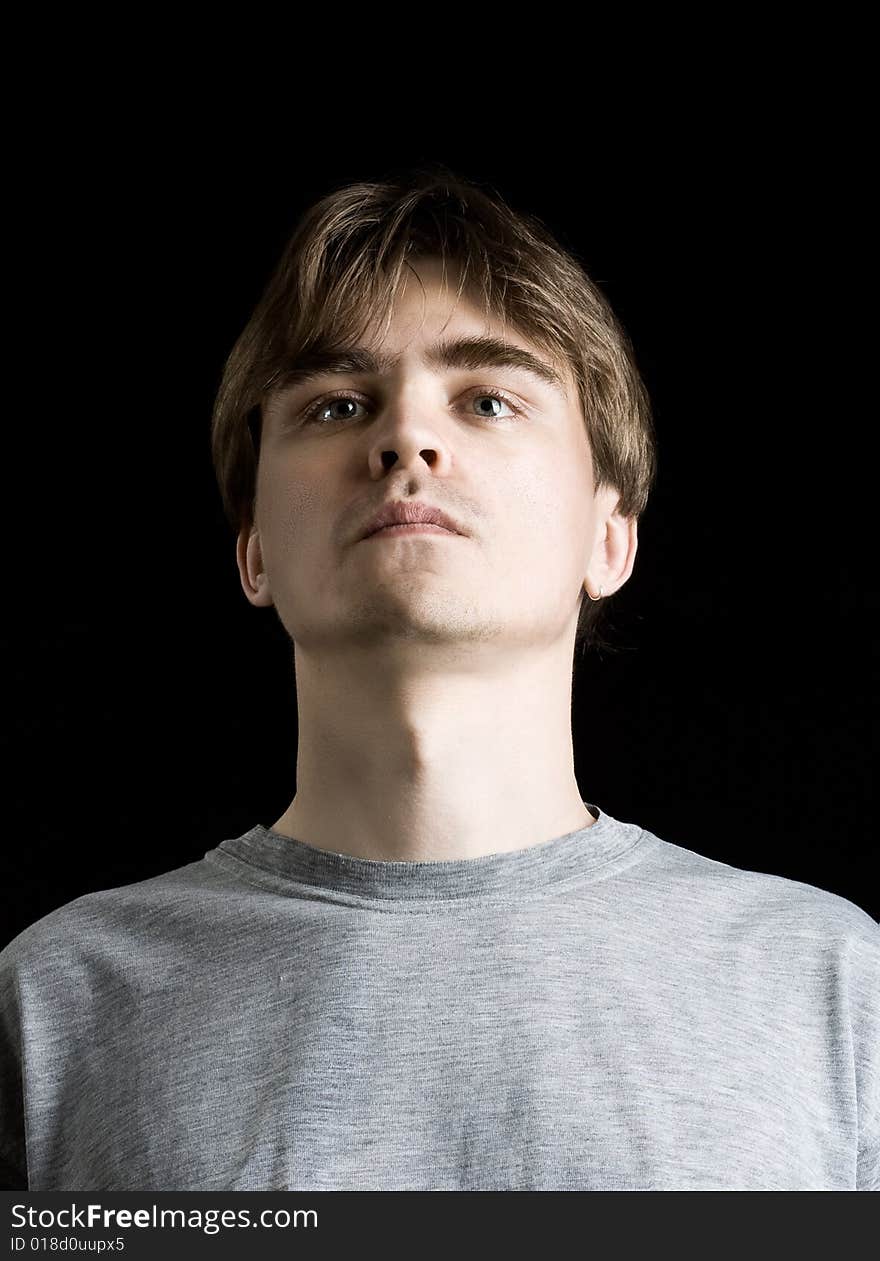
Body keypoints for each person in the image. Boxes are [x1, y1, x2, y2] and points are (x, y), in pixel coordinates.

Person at [1, 164, 876, 1192]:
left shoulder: (835, 986)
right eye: (335, 405)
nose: (405, 439)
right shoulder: (55, 1002)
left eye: (488, 399)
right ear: (253, 554)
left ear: (608, 536)